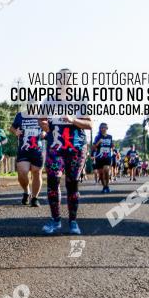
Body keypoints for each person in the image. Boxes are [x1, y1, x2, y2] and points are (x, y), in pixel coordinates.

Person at [39, 69, 92, 235]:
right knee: (53, 181)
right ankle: (55, 220)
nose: (63, 82)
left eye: (67, 79)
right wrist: (44, 125)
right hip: (55, 147)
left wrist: (72, 120)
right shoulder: (49, 99)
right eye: (60, 79)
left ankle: (73, 221)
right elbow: (41, 119)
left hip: (76, 148)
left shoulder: (81, 99)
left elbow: (90, 124)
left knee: (72, 184)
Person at [11, 111, 45, 206]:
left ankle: (34, 198)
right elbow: (12, 128)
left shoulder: (42, 115)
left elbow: (49, 127)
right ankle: (26, 191)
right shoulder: (20, 115)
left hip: (37, 150)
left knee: (37, 172)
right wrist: (15, 131)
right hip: (23, 149)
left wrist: (45, 132)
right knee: (22, 172)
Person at [92, 123, 114, 193]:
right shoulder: (97, 137)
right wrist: (98, 142)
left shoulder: (110, 137)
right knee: (101, 174)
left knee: (106, 170)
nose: (103, 129)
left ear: (107, 128)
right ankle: (104, 187)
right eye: (101, 128)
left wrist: (113, 148)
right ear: (100, 129)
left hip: (107, 156)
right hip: (99, 157)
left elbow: (112, 146)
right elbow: (93, 148)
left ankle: (107, 186)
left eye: (104, 127)